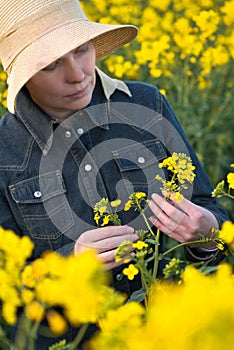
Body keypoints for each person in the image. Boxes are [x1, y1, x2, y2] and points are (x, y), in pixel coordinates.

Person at [0, 0, 229, 348]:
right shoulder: (4, 150)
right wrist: (68, 266)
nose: (77, 74)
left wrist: (208, 232)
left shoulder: (147, 103)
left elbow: (210, 215)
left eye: (81, 49)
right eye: (50, 65)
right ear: (24, 76)